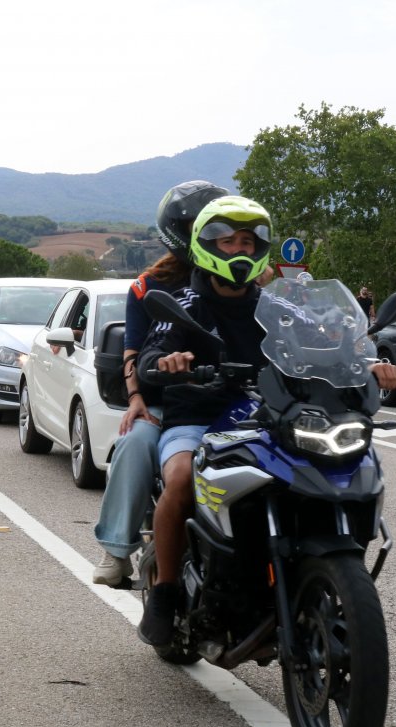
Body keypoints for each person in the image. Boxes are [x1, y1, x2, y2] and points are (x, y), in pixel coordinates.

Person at [136, 196, 396, 646]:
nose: (238, 249)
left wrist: (368, 362)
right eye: (227, 241)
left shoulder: (281, 307)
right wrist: (168, 360)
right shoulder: (185, 302)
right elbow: (153, 349)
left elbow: (330, 344)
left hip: (269, 415)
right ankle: (164, 590)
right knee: (181, 477)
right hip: (198, 418)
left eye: (247, 241)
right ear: (205, 245)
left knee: (321, 468)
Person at [92, 180, 229, 585]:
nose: (222, 242)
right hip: (167, 400)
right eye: (206, 231)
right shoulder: (148, 286)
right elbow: (133, 350)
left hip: (235, 398)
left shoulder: (249, 280)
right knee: (135, 443)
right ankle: (116, 550)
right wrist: (136, 398)